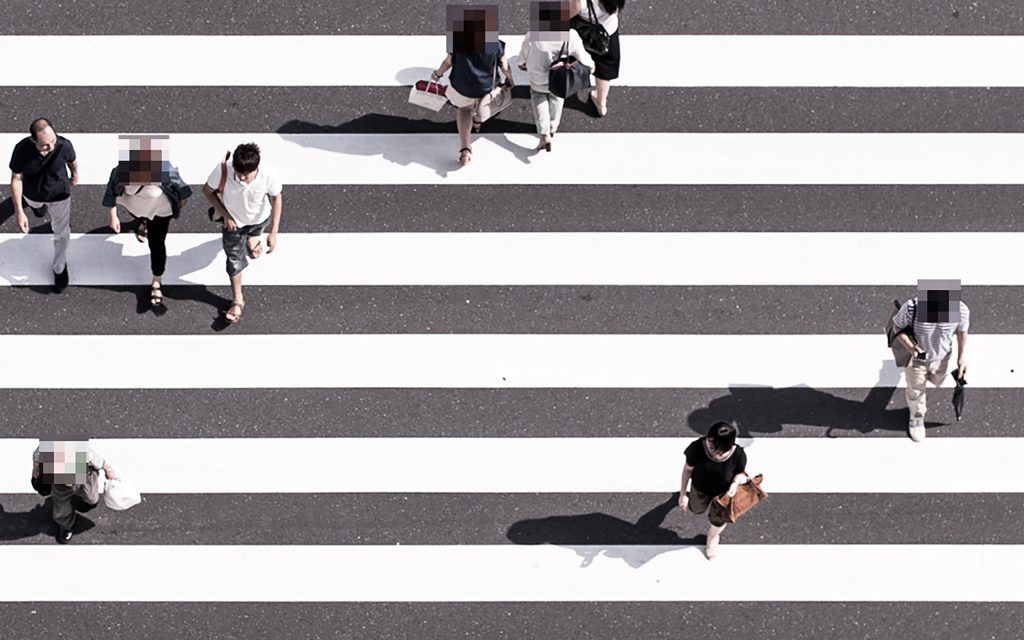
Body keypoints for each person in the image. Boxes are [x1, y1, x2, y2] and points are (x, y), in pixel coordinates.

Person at [103, 135, 192, 307]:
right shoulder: (120, 171)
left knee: (157, 244)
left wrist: (178, 205)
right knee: (139, 216)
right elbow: (111, 192)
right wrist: (112, 215)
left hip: (160, 212)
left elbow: (183, 190)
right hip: (136, 207)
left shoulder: (165, 170)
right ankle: (143, 223)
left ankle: (157, 280)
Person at [201, 143, 283, 324]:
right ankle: (238, 300)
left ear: (257, 167)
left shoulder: (269, 174)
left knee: (253, 249)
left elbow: (276, 198)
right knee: (234, 259)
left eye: (246, 175)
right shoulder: (224, 170)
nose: (242, 178)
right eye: (239, 174)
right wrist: (226, 216)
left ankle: (253, 242)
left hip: (260, 220)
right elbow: (207, 191)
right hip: (234, 224)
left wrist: (273, 232)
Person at [431, 4, 513, 165]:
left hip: (462, 86)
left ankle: (465, 149)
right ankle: (478, 121)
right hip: (486, 86)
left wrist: (437, 74)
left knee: (464, 110)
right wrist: (510, 79)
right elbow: (504, 65)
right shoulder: (493, 43)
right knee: (483, 104)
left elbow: (448, 62)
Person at [891, 279, 969, 442]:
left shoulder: (960, 310)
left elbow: (962, 331)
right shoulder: (913, 307)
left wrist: (961, 356)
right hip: (917, 359)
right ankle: (917, 417)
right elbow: (896, 327)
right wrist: (911, 347)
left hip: (943, 356)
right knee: (917, 389)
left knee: (937, 380)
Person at [8, 118, 79, 292]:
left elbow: (72, 160)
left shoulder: (64, 145)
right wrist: (19, 212)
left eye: (53, 142)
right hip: (33, 194)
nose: (50, 148)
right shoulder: (22, 150)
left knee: (62, 233)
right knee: (38, 212)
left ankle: (59, 268)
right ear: (33, 140)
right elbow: (16, 179)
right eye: (44, 145)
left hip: (60, 195)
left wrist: (75, 173)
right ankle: (37, 209)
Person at [519, 1, 594, 151]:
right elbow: (582, 56)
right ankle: (553, 126)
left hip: (538, 79)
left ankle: (544, 133)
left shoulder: (532, 36)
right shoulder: (570, 36)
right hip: (560, 79)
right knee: (557, 99)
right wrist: (591, 67)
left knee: (539, 99)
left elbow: (523, 58)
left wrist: (522, 64)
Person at [678, 421, 749, 559]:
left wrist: (734, 484)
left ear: (725, 445)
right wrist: (683, 493)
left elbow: (740, 472)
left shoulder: (738, 454)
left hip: (723, 495)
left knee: (719, 519)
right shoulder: (698, 447)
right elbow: (687, 470)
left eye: (713, 443)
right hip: (700, 489)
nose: (708, 444)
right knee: (696, 509)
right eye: (709, 440)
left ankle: (712, 537)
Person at [31, 439, 117, 544]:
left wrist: (109, 471)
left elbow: (100, 461)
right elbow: (39, 453)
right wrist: (36, 467)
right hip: (60, 486)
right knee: (61, 509)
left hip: (85, 477)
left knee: (92, 499)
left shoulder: (84, 455)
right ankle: (66, 525)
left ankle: (81, 500)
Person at [569, 0, 625, 117]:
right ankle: (601, 103)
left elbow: (568, 13)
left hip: (583, 33)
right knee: (604, 71)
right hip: (607, 34)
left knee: (571, 57)